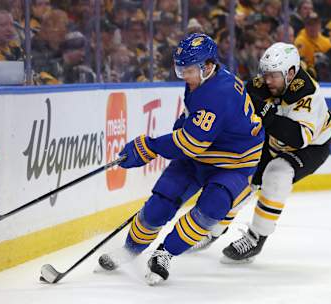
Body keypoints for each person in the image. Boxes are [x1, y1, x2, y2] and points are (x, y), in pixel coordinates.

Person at [97, 33, 265, 285]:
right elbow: (189, 122)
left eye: (187, 70)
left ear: (207, 67)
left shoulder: (217, 93)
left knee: (212, 208)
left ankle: (165, 254)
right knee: (159, 204)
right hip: (201, 155)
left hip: (233, 164)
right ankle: (130, 250)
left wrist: (150, 147)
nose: (183, 75)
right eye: (180, 70)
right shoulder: (202, 81)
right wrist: (168, 137)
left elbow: (191, 143)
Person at [218, 42, 331, 263]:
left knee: (278, 173)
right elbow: (239, 98)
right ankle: (214, 227)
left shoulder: (307, 94)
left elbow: (297, 138)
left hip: (310, 148)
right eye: (265, 74)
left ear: (291, 73)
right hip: (274, 140)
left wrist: (265, 113)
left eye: (274, 75)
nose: (267, 80)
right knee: (244, 178)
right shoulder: (268, 82)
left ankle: (256, 238)